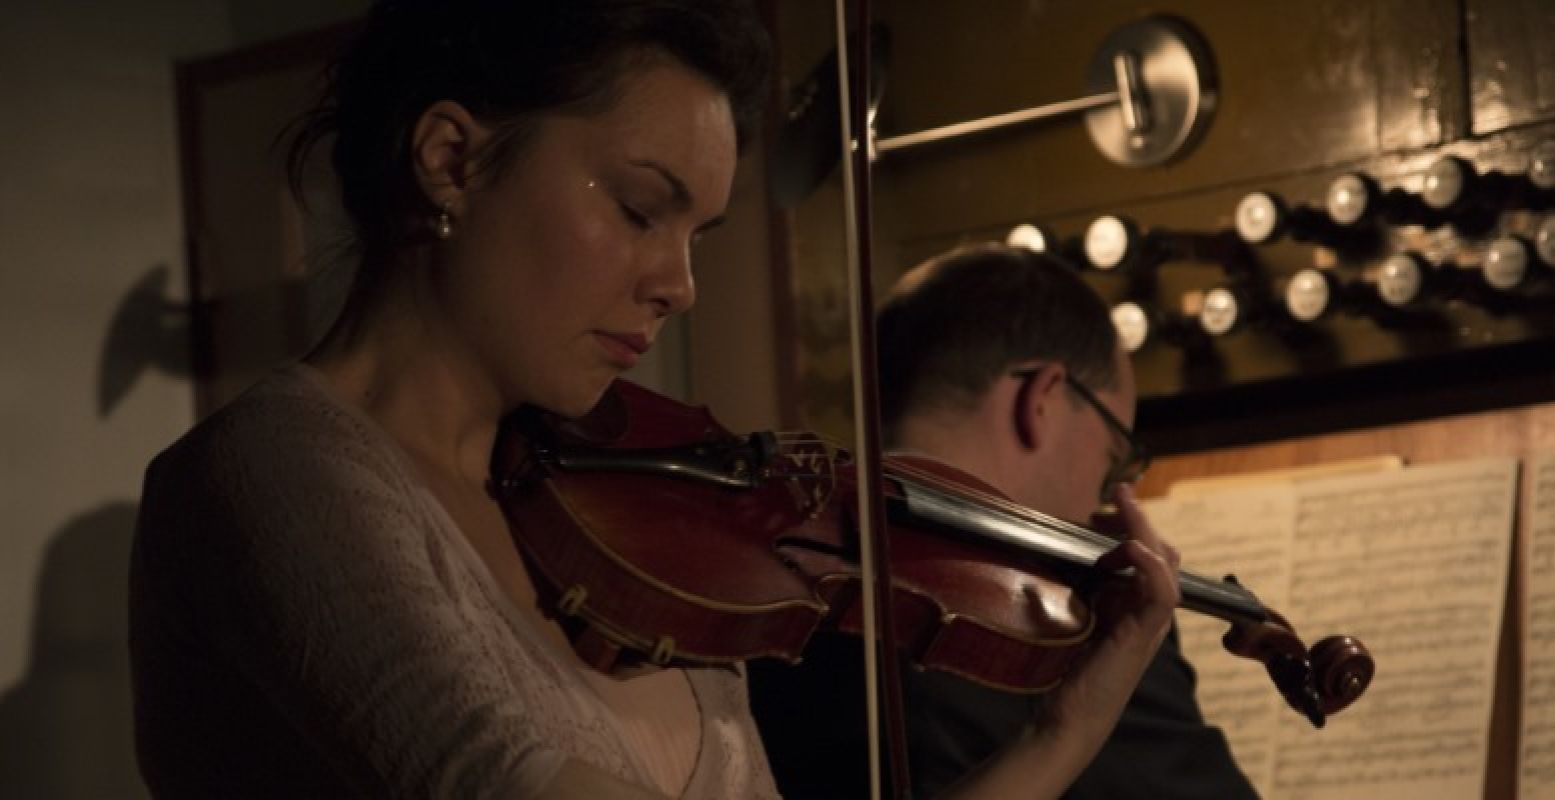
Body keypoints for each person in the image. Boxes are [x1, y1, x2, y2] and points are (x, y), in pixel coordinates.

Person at [128, 2, 1180, 796]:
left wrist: (1062, 730)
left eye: (696, 236)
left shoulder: (628, 516)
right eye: (640, 209)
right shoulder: (275, 471)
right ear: (451, 158)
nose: (678, 284)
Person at [750, 243, 1257, 799]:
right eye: (1114, 457)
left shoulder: (764, 568)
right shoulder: (1083, 621)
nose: (1105, 499)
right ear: (1041, 398)